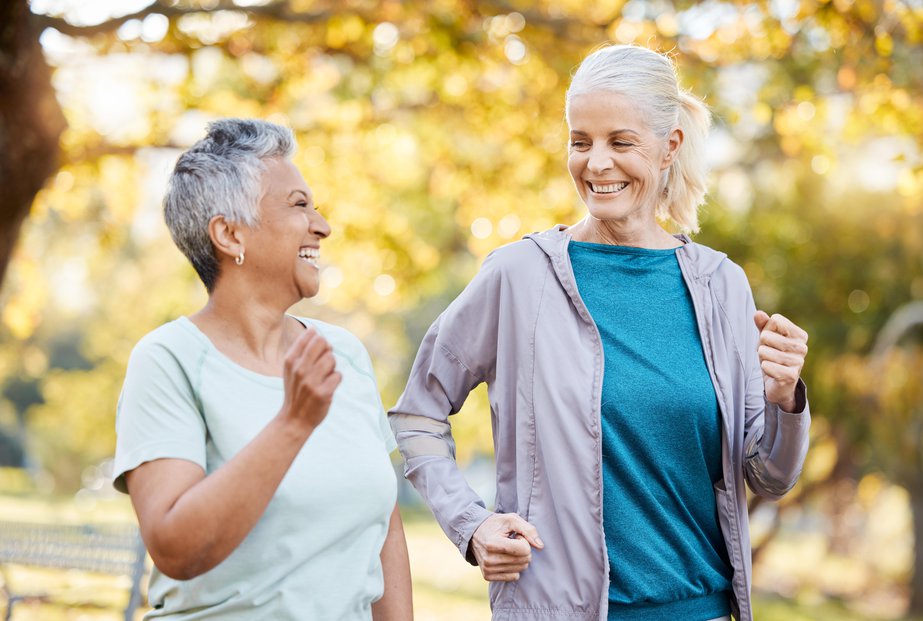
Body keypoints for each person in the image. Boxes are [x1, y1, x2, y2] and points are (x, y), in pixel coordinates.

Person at [389, 44, 810, 621]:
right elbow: (417, 414)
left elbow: (769, 476)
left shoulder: (721, 286)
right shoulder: (519, 275)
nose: (596, 164)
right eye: (580, 142)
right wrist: (472, 523)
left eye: (621, 142)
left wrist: (786, 398)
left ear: (670, 147)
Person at [113, 119, 413, 620]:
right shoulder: (167, 360)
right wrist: (293, 423)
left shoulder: (344, 354)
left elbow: (385, 526)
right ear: (229, 234)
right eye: (298, 205)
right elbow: (174, 547)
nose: (322, 225)